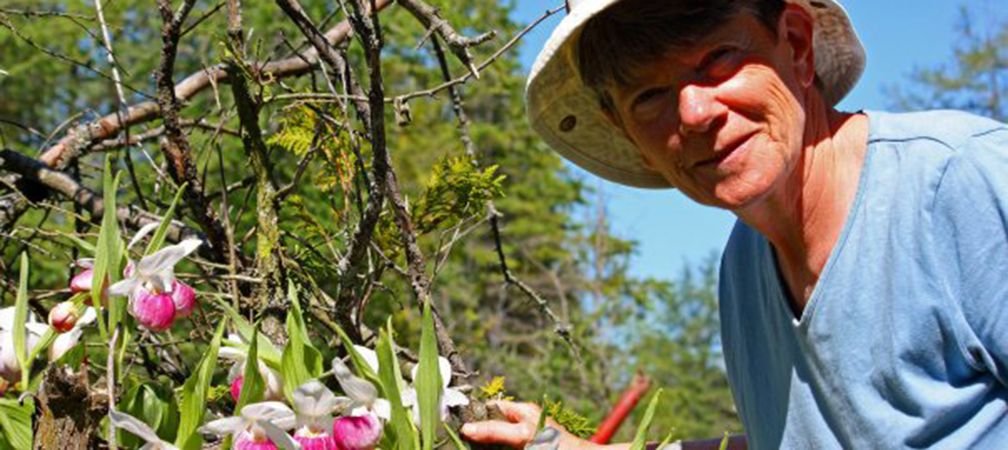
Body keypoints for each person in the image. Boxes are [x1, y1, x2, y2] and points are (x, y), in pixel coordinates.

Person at [460, 0, 1008, 448]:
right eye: (649, 96)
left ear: (795, 44)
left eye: (719, 58)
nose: (695, 113)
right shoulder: (745, 265)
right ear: (625, 130)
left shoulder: (960, 183)